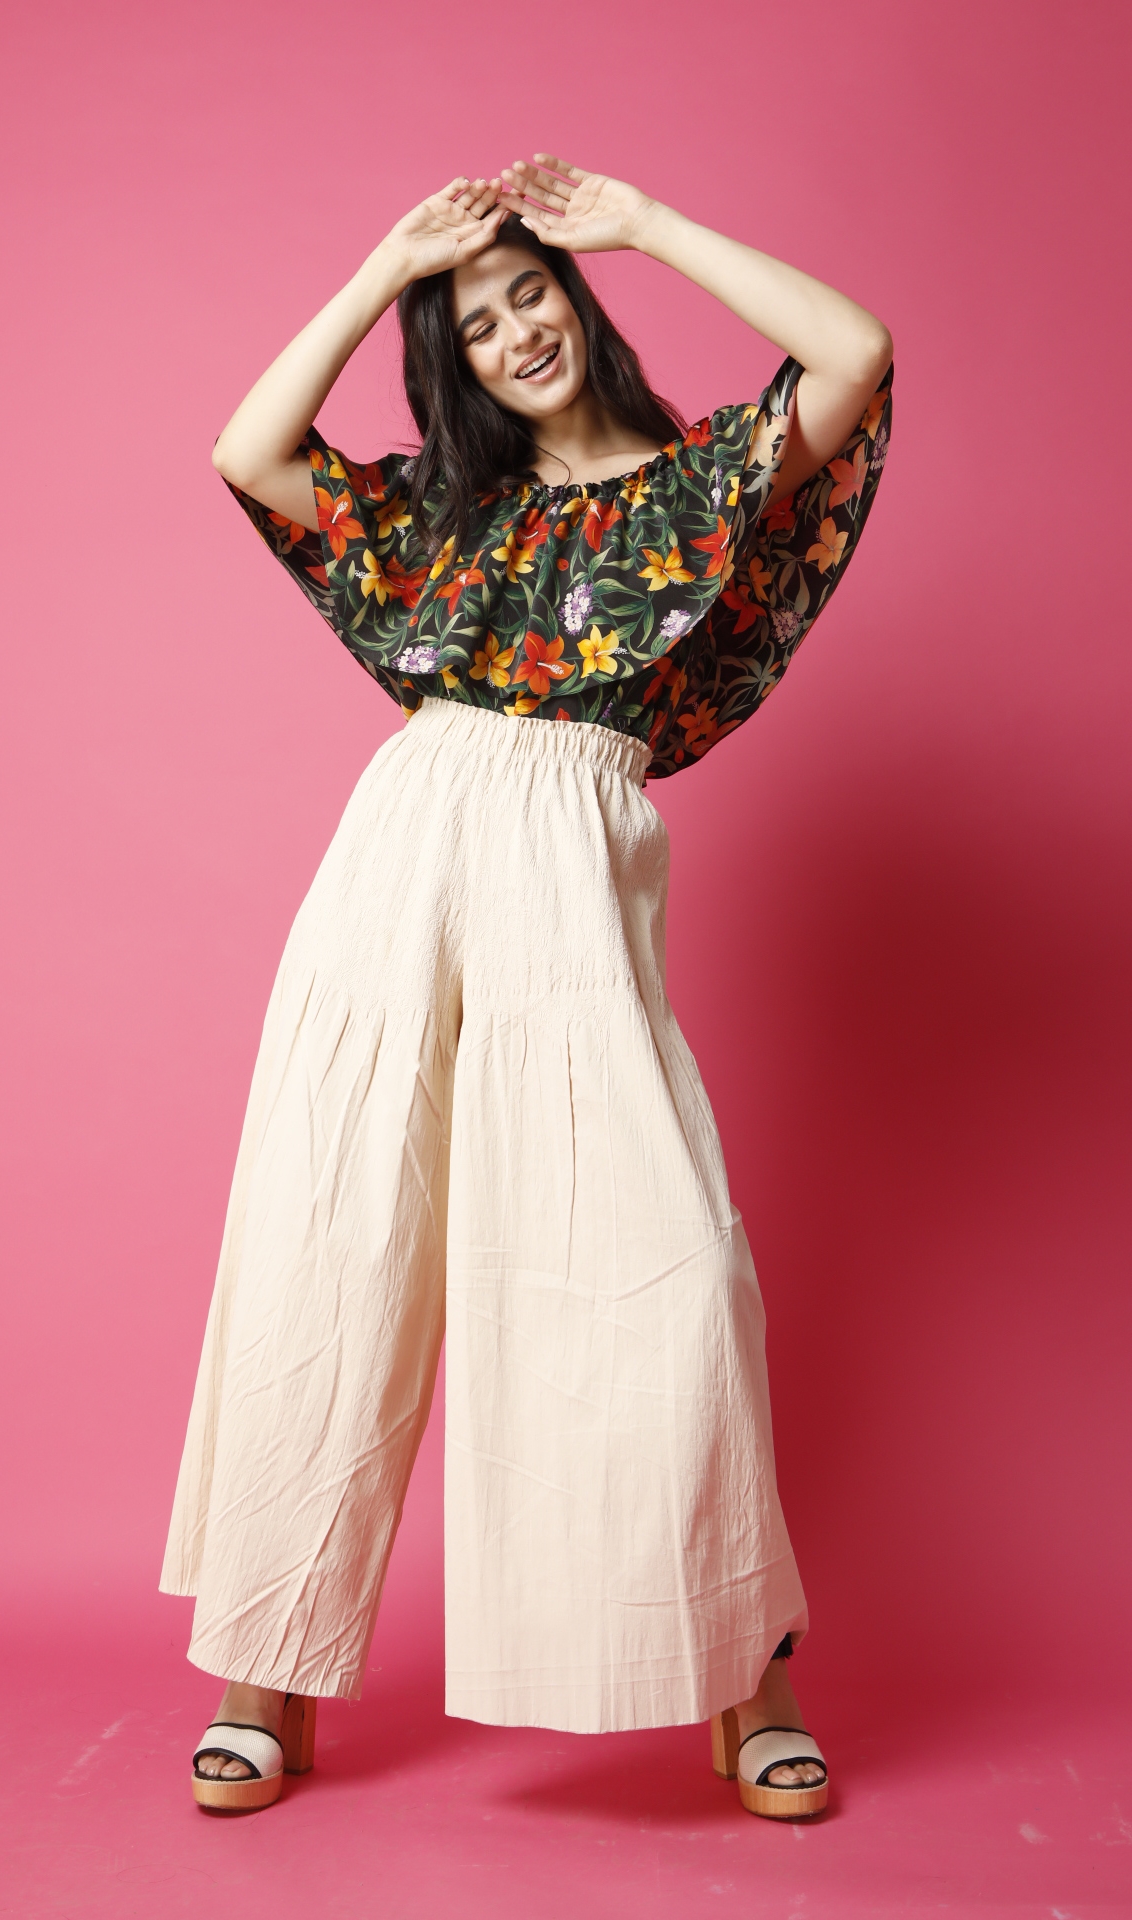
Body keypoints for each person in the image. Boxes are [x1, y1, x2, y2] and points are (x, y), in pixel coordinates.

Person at [161, 154, 892, 1821]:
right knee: (332, 1245)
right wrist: (383, 269)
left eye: (528, 295)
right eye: (477, 326)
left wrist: (643, 223)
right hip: (401, 853)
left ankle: (748, 1682)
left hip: (573, 870)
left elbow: (853, 351)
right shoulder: (445, 512)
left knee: (664, 1271)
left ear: (574, 297)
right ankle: (264, 1674)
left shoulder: (702, 485)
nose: (513, 335)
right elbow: (250, 452)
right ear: (459, 365)